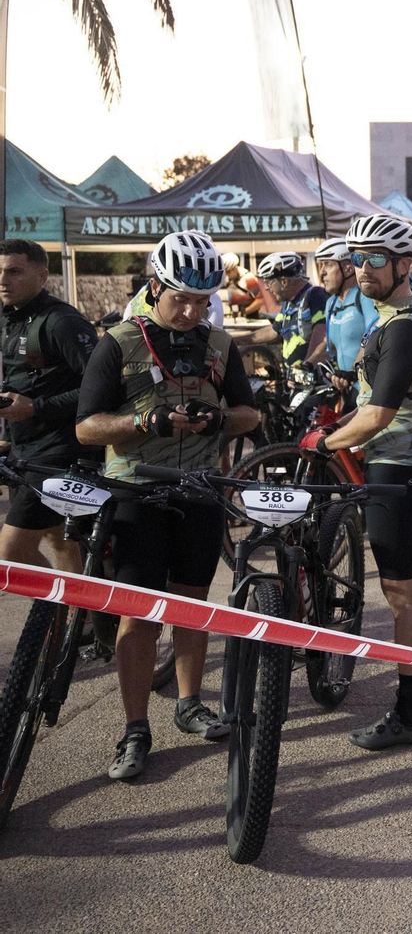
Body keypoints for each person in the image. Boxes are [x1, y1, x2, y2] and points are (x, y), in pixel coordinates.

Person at [76, 230, 261, 779]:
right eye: (180, 298)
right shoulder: (118, 342)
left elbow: (250, 415)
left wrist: (219, 419)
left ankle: (188, 703)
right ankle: (135, 728)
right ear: (155, 287)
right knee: (139, 614)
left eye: (201, 301)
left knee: (192, 605)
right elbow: (86, 428)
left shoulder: (220, 346)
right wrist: (142, 421)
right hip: (135, 491)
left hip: (199, 490)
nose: (189, 311)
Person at [300, 214, 412, 749]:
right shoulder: (398, 316)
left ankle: (409, 714)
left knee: (400, 590)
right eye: (356, 259)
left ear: (404, 265)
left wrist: (324, 441)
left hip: (400, 461)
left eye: (376, 259)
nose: (362, 269)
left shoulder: (405, 325)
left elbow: (381, 413)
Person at [0, 239, 99, 576]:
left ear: (42, 276)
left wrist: (37, 407)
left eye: (14, 271)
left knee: (9, 554)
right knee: (61, 542)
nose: (3, 279)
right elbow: (19, 385)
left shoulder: (62, 322)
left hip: (59, 454)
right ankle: (77, 621)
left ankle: (53, 614)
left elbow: (102, 391)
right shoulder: (10, 319)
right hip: (24, 450)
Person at [234, 251, 329, 367]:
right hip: (296, 380)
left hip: (315, 379)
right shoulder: (289, 302)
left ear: (284, 281)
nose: (267, 289)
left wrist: (307, 365)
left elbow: (321, 334)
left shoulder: (315, 296)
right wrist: (236, 340)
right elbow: (274, 331)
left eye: (269, 283)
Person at [314, 237, 378, 375]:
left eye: (328, 265)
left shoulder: (363, 297)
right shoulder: (331, 303)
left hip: (365, 388)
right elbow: (329, 343)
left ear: (348, 269)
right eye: (321, 265)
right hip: (345, 386)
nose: (322, 272)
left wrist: (352, 371)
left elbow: (373, 337)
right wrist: (307, 363)